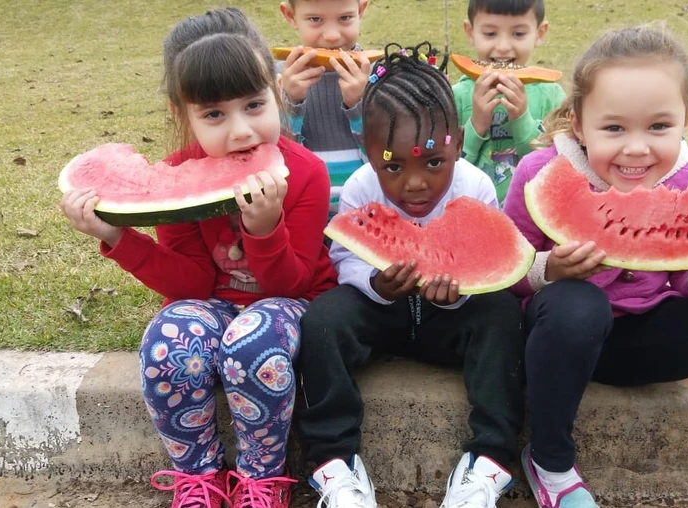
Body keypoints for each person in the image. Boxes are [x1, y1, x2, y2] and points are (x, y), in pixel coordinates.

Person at [503, 25, 688, 508]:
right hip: (563, 342)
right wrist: (549, 270)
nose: (636, 149)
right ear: (578, 124)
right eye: (614, 128)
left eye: (658, 127)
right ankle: (550, 463)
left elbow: (682, 272)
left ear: (685, 119)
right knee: (579, 304)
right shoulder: (541, 175)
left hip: (649, 341)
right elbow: (507, 269)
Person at [60, 8, 336, 508]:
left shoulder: (307, 174)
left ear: (276, 93)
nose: (241, 132)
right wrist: (118, 237)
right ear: (180, 114)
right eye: (214, 114)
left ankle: (261, 480)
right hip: (210, 300)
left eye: (254, 105)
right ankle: (198, 477)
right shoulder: (173, 181)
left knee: (252, 348)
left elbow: (291, 283)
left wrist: (264, 229)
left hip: (292, 300)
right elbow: (189, 283)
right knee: (168, 342)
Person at [295, 42, 526, 508]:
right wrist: (375, 285)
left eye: (434, 162)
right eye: (393, 166)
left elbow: (488, 263)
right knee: (322, 319)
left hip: (451, 322)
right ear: (370, 152)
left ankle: (489, 462)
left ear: (459, 143)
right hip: (383, 318)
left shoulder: (476, 186)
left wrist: (457, 296)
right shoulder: (361, 187)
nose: (414, 183)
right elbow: (345, 258)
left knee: (501, 314)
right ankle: (333, 463)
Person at [453, 0, 565, 206]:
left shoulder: (553, 97)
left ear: (539, 33)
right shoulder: (456, 97)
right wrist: (475, 125)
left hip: (530, 218)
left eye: (519, 34)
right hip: (470, 214)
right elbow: (446, 171)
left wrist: (523, 121)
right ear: (470, 32)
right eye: (490, 33)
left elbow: (556, 170)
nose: (503, 47)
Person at [278, 0, 372, 216]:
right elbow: (280, 161)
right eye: (315, 19)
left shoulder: (379, 76)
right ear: (290, 16)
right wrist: (289, 101)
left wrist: (359, 104)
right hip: (304, 215)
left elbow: (385, 158)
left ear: (361, 10)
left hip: (368, 214)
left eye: (345, 18)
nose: (331, 35)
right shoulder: (278, 80)